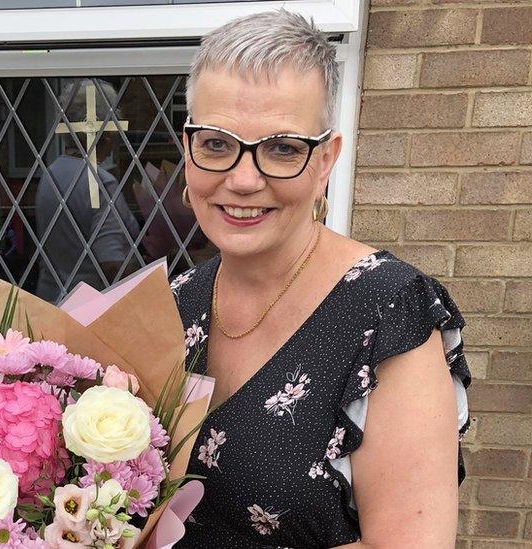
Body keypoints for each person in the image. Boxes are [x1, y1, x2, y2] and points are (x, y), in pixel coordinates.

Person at [171, 11, 470, 548]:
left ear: (327, 158)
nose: (242, 180)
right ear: (187, 146)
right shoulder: (175, 304)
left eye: (283, 148)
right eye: (216, 143)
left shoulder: (385, 315)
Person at [35, 78, 140, 302]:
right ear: (108, 132)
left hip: (51, 301)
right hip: (90, 309)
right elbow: (112, 262)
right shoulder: (100, 182)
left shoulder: (51, 174)